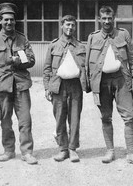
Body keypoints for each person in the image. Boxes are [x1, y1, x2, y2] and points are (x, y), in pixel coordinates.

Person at [86, 6, 133, 166]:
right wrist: (90, 86)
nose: (106, 21)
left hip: (121, 80)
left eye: (109, 18)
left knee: (129, 116)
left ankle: (131, 153)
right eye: (104, 18)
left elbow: (132, 57)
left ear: (114, 19)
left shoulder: (123, 34)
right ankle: (110, 151)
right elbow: (87, 64)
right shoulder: (93, 37)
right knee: (105, 117)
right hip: (102, 82)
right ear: (99, 19)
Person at [0, 3, 37, 165]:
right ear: (0, 21)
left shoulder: (22, 39)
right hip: (2, 86)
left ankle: (27, 152)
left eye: (12, 20)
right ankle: (8, 150)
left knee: (25, 120)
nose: (9, 23)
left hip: (21, 86)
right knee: (6, 121)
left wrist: (19, 61)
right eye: (6, 20)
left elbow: (32, 60)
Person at [43, 15, 88, 162]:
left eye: (72, 25)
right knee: (60, 117)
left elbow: (86, 67)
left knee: (74, 117)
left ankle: (72, 149)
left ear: (75, 27)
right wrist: (46, 87)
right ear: (62, 26)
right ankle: (62, 149)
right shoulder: (53, 45)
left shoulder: (81, 46)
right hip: (58, 85)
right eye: (67, 25)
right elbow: (47, 68)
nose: (70, 28)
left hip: (75, 86)